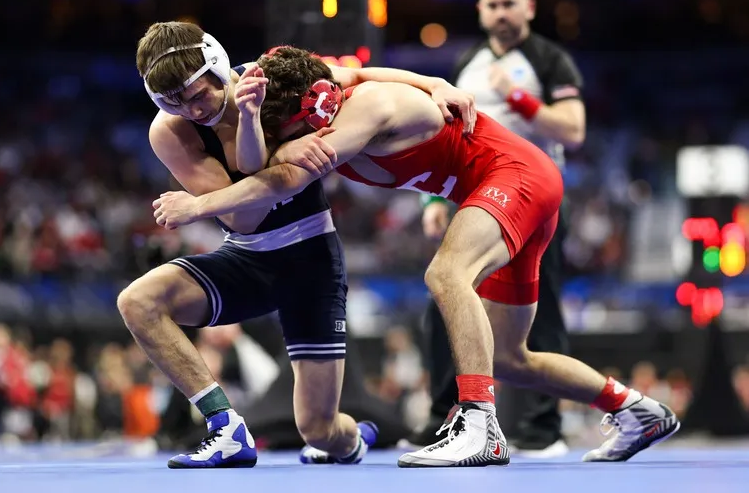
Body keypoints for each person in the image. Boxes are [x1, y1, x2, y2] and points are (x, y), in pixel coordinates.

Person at [152, 46, 681, 467]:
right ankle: (635, 410)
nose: (276, 144)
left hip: (515, 176)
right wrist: (433, 81)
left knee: (446, 273)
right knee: (509, 357)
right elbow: (354, 72)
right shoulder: (317, 89)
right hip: (511, 190)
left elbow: (281, 180)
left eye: (282, 133)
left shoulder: (363, 111)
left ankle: (479, 424)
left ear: (314, 112)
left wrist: (198, 205)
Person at [125, 21, 478, 468]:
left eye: (198, 94)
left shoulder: (270, 78)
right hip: (248, 256)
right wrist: (278, 150)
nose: (193, 110)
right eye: (174, 103)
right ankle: (224, 427)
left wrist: (434, 83)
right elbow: (242, 218)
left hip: (310, 261)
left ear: (217, 66)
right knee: (138, 302)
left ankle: (355, 438)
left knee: (320, 430)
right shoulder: (170, 131)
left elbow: (355, 75)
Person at [409, 0, 585, 458]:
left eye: (510, 4)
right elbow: (443, 135)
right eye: (493, 5)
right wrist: (433, 199)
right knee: (444, 300)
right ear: (481, 10)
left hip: (536, 201)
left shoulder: (549, 60)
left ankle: (543, 428)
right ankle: (441, 419)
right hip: (477, 200)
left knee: (541, 315)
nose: (502, 13)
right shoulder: (467, 62)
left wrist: (519, 99)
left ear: (529, 8)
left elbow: (573, 131)